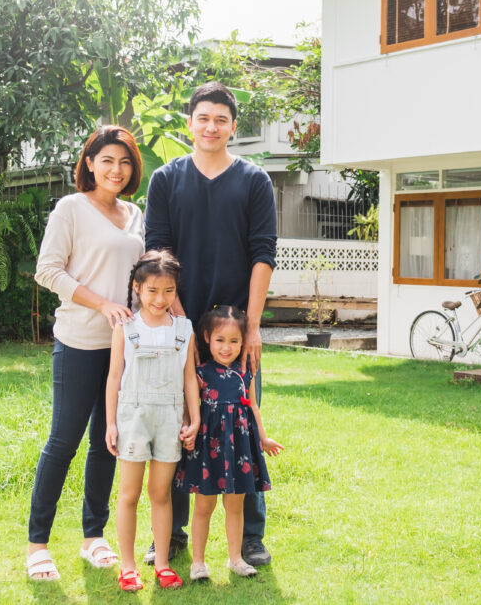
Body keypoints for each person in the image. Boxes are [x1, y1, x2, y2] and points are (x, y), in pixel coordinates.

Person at [144, 81, 278, 566]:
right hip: (178, 325)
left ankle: (251, 539)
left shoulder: (254, 181)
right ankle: (172, 534)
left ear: (233, 127)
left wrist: (254, 328)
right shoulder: (165, 179)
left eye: (221, 119)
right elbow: (158, 252)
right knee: (181, 427)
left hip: (234, 334)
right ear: (190, 123)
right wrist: (180, 323)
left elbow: (263, 254)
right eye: (203, 117)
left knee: (240, 424)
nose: (211, 126)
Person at [26, 126, 145, 582]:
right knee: (64, 442)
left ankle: (93, 536)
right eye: (107, 160)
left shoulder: (135, 214)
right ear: (90, 163)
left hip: (124, 349)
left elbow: (144, 275)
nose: (116, 169)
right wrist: (102, 304)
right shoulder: (71, 209)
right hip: (79, 341)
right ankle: (38, 544)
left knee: (107, 442)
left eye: (125, 162)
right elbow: (47, 271)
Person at [104, 250, 200, 592]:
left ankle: (161, 563)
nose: (161, 299)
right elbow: (114, 377)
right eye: (153, 291)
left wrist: (194, 418)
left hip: (171, 419)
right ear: (137, 288)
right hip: (133, 418)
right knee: (128, 494)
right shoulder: (125, 327)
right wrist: (110, 424)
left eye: (169, 291)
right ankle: (127, 566)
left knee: (161, 494)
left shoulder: (184, 329)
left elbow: (190, 378)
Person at [176, 307, 283, 580]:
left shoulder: (246, 372)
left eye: (234, 341)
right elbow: (190, 403)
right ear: (207, 338)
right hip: (208, 446)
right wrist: (188, 425)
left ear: (243, 342)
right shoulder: (200, 372)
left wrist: (263, 437)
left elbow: (254, 407)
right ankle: (198, 563)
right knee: (204, 506)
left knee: (234, 506)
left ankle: (235, 558)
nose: (227, 347)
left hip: (239, 448)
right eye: (220, 340)